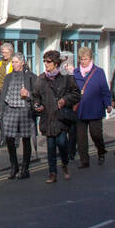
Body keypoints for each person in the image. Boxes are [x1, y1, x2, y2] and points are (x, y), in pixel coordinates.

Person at [32, 50, 80, 184]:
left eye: (49, 61)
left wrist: (65, 100)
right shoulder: (41, 79)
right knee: (51, 146)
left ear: (56, 63)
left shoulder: (66, 77)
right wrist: (37, 105)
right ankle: (52, 172)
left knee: (62, 143)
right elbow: (36, 96)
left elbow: (76, 94)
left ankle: (65, 163)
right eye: (44, 61)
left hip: (61, 117)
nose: (46, 64)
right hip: (47, 117)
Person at [0, 53, 36, 179]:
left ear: (22, 62)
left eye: (16, 62)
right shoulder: (8, 77)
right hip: (10, 111)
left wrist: (28, 94)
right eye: (13, 62)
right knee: (10, 140)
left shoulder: (30, 77)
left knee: (26, 139)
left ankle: (25, 169)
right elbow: (2, 97)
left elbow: (39, 95)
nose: (14, 64)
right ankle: (14, 166)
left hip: (24, 111)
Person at [72, 47, 115, 166]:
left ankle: (101, 151)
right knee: (81, 138)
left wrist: (108, 104)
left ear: (91, 59)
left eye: (85, 59)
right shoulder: (75, 73)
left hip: (95, 108)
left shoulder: (98, 72)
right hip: (80, 110)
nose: (83, 61)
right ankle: (84, 160)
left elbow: (104, 90)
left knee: (96, 134)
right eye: (81, 59)